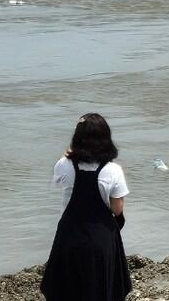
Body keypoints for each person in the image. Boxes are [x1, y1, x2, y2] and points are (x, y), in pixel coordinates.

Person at [41, 113, 131, 301]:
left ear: (77, 138)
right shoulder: (113, 170)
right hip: (100, 241)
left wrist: (71, 149)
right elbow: (117, 209)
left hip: (69, 237)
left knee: (66, 291)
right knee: (101, 292)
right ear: (105, 138)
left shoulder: (64, 165)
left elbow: (57, 179)